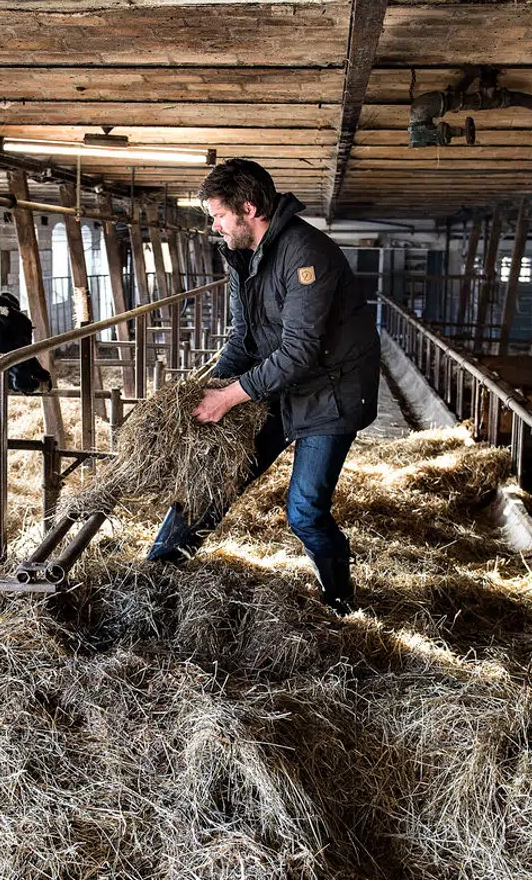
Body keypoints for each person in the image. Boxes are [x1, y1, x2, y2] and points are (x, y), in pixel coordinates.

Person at [146, 158, 380, 613]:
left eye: (218, 214)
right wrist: (208, 391)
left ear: (249, 208)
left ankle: (340, 602)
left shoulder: (306, 254)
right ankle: (156, 573)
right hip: (280, 383)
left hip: (331, 392)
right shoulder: (243, 255)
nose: (214, 225)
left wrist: (231, 397)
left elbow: (299, 351)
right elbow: (243, 338)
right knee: (213, 476)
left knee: (305, 509)